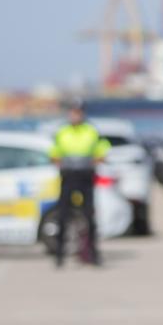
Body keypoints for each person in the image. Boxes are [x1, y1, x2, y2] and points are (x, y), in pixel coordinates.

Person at [48, 101, 110, 267]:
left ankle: (93, 253)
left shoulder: (91, 131)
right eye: (72, 112)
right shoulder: (62, 132)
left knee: (89, 216)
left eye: (78, 112)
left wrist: (97, 159)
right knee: (62, 216)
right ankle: (60, 256)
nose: (75, 116)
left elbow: (103, 149)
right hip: (68, 177)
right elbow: (53, 153)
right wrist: (58, 161)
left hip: (86, 178)